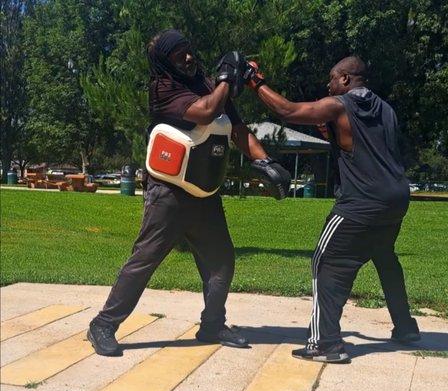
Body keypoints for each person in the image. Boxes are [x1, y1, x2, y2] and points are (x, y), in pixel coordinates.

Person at [87, 29, 291, 356]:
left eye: (188, 49)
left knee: (221, 260)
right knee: (145, 259)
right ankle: (103, 324)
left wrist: (265, 161)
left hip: (204, 193)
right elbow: (206, 112)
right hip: (168, 193)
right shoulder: (163, 88)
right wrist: (225, 78)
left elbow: (237, 129)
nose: (188, 57)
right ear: (164, 62)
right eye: (178, 54)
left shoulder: (209, 85)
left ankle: (212, 324)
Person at [245, 56, 420, 363]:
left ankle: (326, 344)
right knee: (384, 256)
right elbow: (371, 149)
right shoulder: (388, 111)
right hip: (396, 200)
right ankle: (405, 327)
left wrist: (254, 82)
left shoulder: (340, 105)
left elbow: (287, 110)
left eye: (331, 79)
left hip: (361, 202)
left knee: (324, 261)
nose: (328, 85)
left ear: (345, 80)